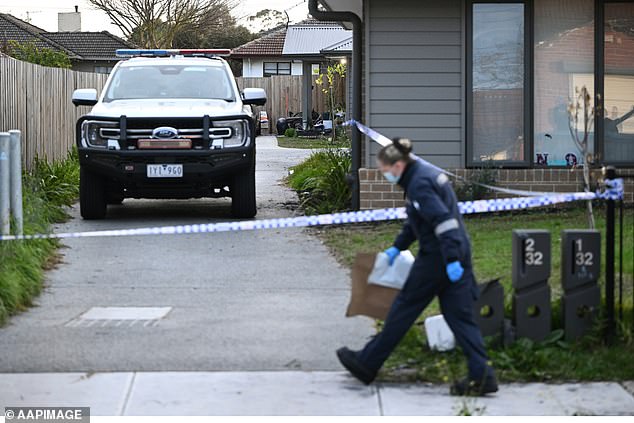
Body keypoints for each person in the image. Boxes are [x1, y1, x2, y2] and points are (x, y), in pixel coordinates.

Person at [337, 138, 498, 396]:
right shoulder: (423, 175)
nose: (384, 174)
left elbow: (443, 222)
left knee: (403, 310)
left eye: (385, 169)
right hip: (454, 254)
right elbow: (417, 222)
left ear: (399, 165)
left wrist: (452, 261)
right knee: (461, 318)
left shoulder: (419, 184)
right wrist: (398, 247)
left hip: (438, 259)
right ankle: (483, 375)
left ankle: (367, 363)